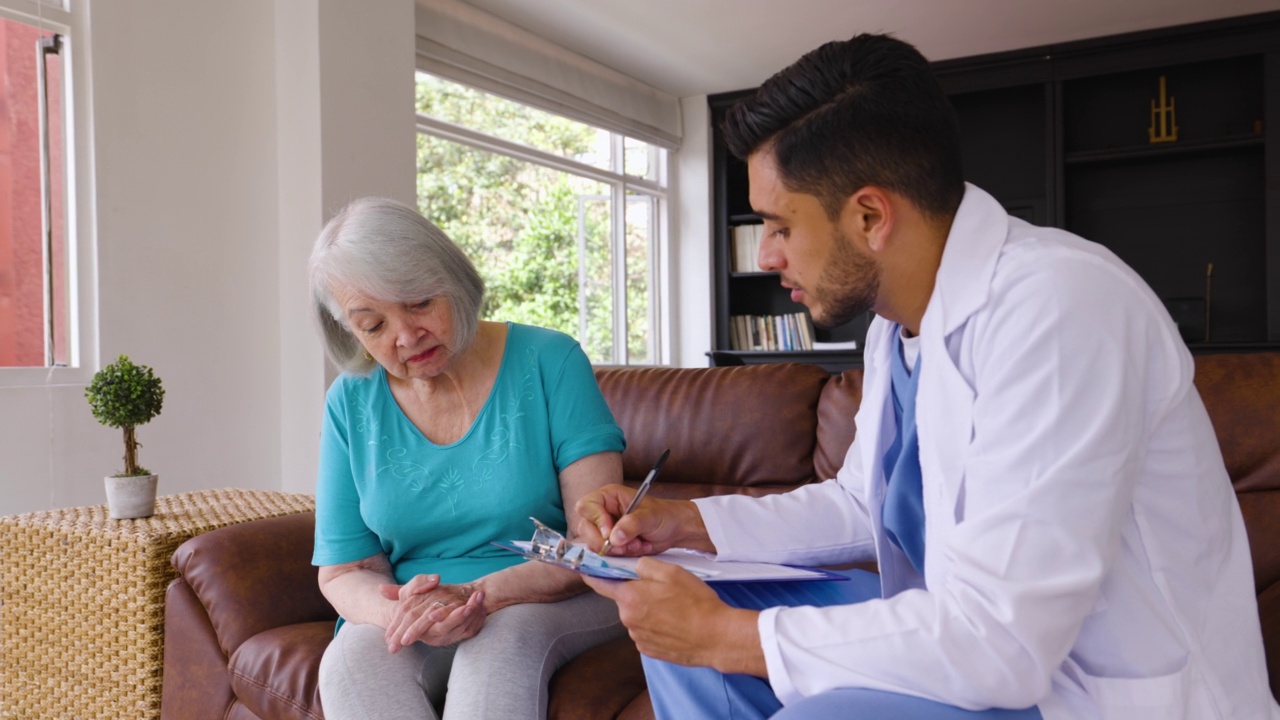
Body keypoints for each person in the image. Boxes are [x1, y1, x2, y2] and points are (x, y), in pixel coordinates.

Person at [577, 33, 1280, 720]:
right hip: (976, 639)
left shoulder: (1062, 307)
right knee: (672, 618)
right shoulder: (897, 329)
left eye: (780, 225)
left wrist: (728, 637)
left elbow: (1003, 640)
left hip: (1073, 685)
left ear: (870, 216)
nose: (764, 255)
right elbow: (860, 503)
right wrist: (684, 523)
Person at [308, 196, 628, 720]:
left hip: (551, 594)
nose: (406, 337)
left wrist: (478, 594)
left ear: (452, 279)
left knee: (500, 645)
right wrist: (407, 612)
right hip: (418, 608)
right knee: (351, 661)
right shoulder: (351, 401)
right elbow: (346, 571)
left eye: (417, 303)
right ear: (349, 330)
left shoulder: (551, 361)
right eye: (373, 325)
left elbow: (588, 547)